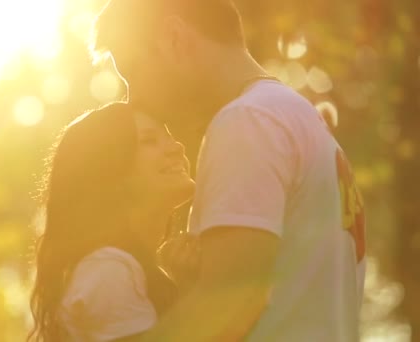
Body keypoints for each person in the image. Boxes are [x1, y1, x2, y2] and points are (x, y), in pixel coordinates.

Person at [91, 0, 366, 341]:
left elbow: (230, 308)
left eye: (133, 71)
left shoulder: (248, 122)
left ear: (175, 37)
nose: (134, 99)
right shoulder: (297, 118)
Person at [27, 102, 198, 341]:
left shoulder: (124, 267)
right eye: (150, 141)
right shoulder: (108, 270)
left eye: (169, 136)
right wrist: (194, 297)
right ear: (110, 172)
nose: (176, 147)